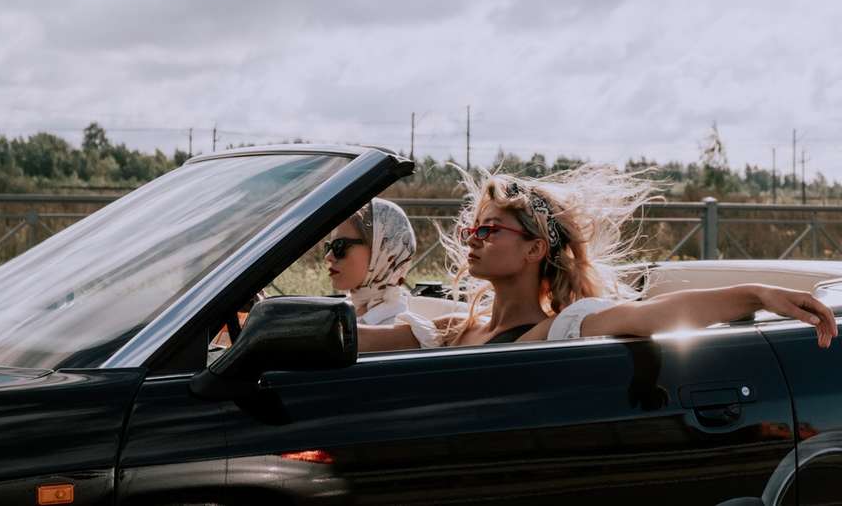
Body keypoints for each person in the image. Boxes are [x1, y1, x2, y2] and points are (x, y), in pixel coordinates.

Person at [360, 165, 837, 351]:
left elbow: (656, 315)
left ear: (534, 249)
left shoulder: (561, 326)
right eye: (471, 228)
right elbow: (355, 340)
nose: (473, 239)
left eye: (489, 229)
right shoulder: (449, 330)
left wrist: (755, 293)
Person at [324, 198, 416, 326]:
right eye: (329, 246)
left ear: (381, 250)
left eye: (340, 246)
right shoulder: (351, 309)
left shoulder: (394, 326)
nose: (328, 257)